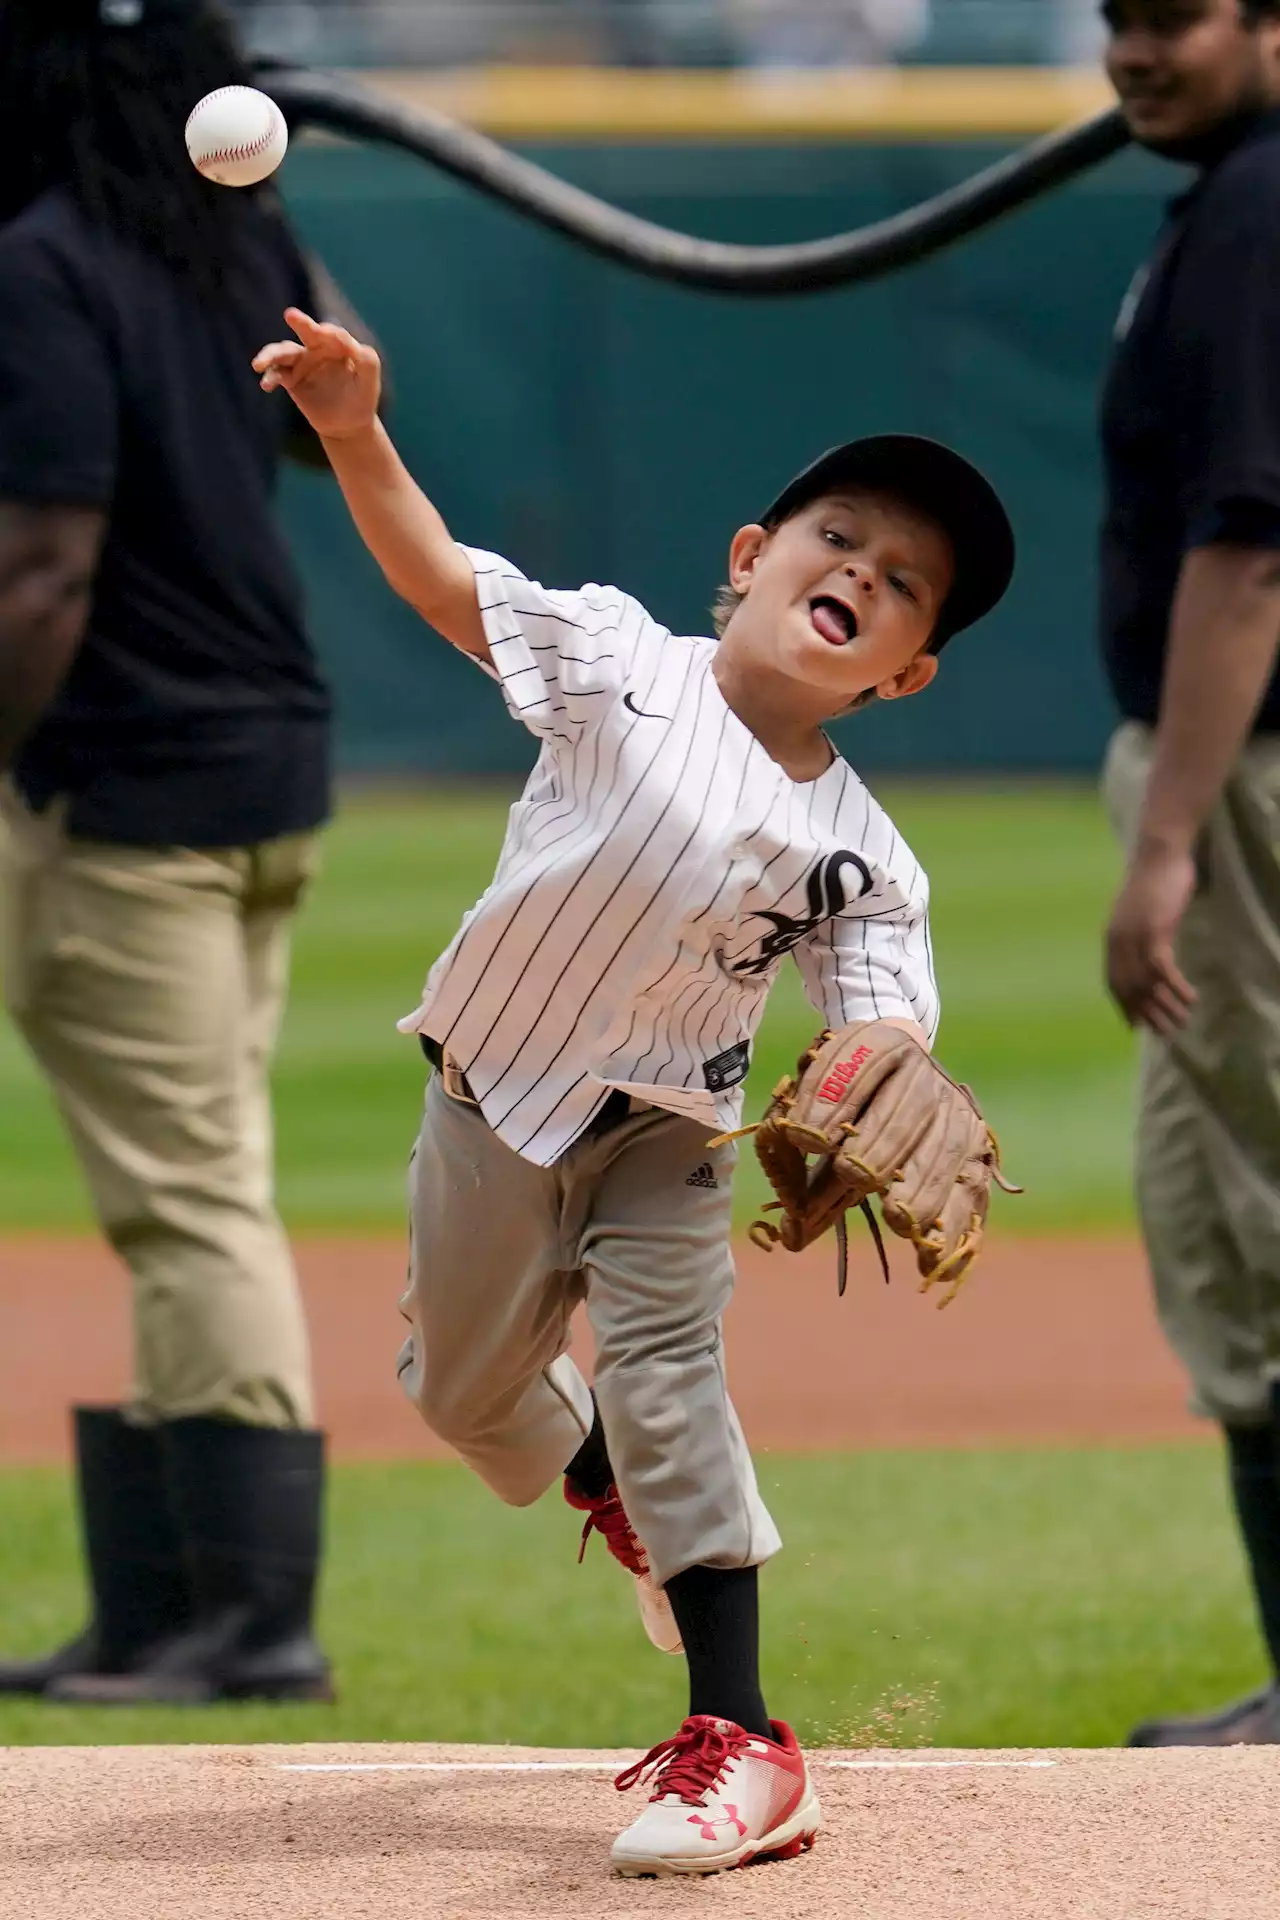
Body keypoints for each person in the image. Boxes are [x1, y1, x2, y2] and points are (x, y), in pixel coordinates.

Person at [255, 306, 1014, 1870]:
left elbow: (882, 1028)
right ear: (751, 555)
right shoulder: (615, 661)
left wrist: (879, 1066)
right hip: (487, 1096)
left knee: (670, 1377)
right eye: (841, 539)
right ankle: (600, 1483)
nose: (861, 574)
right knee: (458, 1391)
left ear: (905, 674)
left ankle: (742, 1741)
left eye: (901, 587)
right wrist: (351, 431)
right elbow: (442, 578)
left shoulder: (865, 856)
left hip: (667, 1132)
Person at [0, 0, 361, 1705]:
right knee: (197, 1175)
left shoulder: (48, 259)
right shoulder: (223, 232)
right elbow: (331, 405)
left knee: (192, 1197)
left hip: (134, 787)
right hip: (264, 752)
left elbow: (41, 573)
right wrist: (255, 218)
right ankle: (158, 1610)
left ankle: (252, 1619)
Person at [1099, 0, 1280, 1746]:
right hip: (1216, 774)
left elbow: (1251, 552)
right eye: (1115, 17)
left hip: (1245, 779)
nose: (1135, 51)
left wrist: (1168, 841)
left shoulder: (1260, 207)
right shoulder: (1220, 200)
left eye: (1174, 15)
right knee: (1224, 1234)